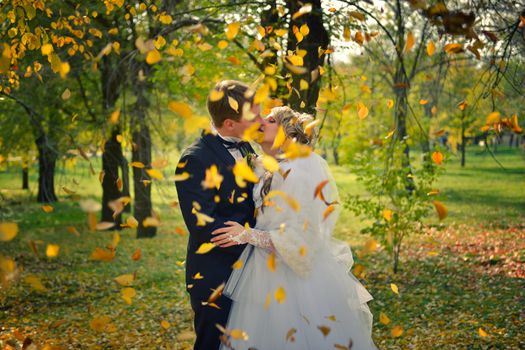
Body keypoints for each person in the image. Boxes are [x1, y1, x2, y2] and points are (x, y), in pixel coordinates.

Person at [211, 106, 377, 349]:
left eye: (270, 120)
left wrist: (247, 235)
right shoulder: (272, 169)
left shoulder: (299, 173)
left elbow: (301, 238)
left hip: (294, 280)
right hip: (262, 273)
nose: (261, 122)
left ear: (287, 133)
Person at [175, 80, 263, 350]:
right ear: (229, 124)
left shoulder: (246, 147)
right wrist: (252, 236)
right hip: (216, 274)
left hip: (253, 268)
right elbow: (203, 224)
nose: (260, 119)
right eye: (253, 116)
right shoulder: (194, 159)